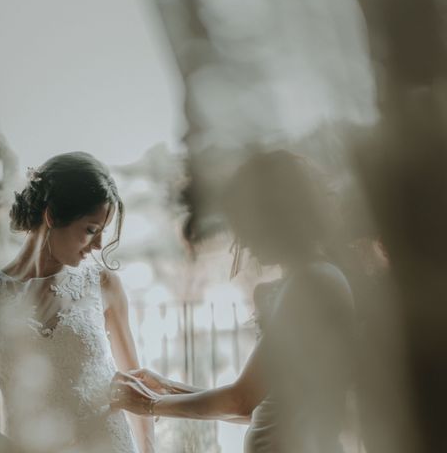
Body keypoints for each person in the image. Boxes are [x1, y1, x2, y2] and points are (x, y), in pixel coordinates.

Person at [112, 149, 356, 453]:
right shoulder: (309, 278)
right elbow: (255, 405)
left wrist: (150, 404)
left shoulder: (311, 282)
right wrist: (169, 387)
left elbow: (242, 400)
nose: (244, 242)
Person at [0, 152, 154, 453]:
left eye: (101, 232)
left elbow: (136, 389)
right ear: (52, 216)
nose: (97, 245)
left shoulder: (103, 284)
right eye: (90, 230)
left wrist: (149, 449)